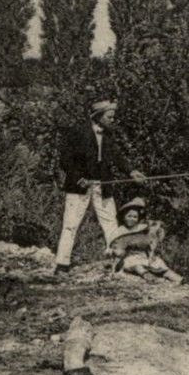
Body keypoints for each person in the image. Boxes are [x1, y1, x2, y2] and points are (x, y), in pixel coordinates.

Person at [53, 99, 145, 275]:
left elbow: (117, 156)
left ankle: (117, 263)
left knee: (110, 223)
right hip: (78, 188)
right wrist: (79, 178)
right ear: (98, 116)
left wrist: (131, 171)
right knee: (71, 225)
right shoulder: (77, 132)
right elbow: (65, 160)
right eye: (110, 116)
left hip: (102, 186)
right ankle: (62, 264)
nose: (113, 120)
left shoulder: (109, 134)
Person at [109, 198, 184, 284]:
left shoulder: (143, 229)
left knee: (159, 266)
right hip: (128, 258)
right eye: (129, 216)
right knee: (137, 266)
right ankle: (150, 277)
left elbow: (150, 242)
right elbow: (116, 246)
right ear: (124, 217)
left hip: (143, 256)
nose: (132, 219)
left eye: (135, 217)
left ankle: (179, 279)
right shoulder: (121, 231)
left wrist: (151, 254)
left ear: (138, 218)